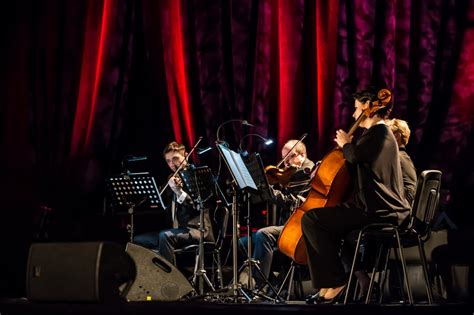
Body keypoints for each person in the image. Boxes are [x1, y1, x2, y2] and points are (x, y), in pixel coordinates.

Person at [301, 88, 410, 304]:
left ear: (369, 107)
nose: (354, 115)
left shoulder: (379, 132)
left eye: (357, 109)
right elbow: (357, 166)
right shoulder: (376, 136)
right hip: (376, 207)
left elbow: (355, 156)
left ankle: (336, 281)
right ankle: (328, 283)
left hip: (378, 210)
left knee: (311, 219)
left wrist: (345, 144)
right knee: (325, 224)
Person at [239, 139, 315, 289]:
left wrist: (270, 192)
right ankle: (272, 283)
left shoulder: (309, 173)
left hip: (300, 228)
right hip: (286, 226)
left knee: (263, 234)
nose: (286, 163)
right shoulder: (289, 174)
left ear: (303, 155)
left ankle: (258, 286)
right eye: (284, 159)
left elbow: (297, 202)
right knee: (242, 243)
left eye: (291, 157)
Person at [133, 141, 214, 265]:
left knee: (165, 236)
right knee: (138, 240)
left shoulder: (197, 177)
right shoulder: (171, 179)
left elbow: (198, 206)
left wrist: (179, 192)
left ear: (186, 156)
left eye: (175, 159)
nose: (172, 164)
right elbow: (160, 202)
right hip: (176, 230)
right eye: (168, 161)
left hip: (198, 230)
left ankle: (169, 279)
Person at [387, 118, 417, 205]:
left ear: (397, 136)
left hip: (398, 206)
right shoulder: (404, 157)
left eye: (386, 135)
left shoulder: (396, 157)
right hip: (404, 205)